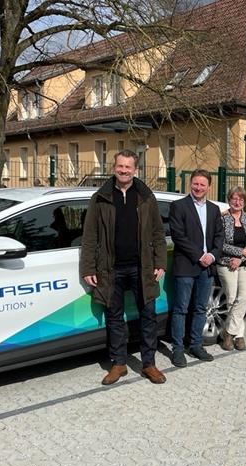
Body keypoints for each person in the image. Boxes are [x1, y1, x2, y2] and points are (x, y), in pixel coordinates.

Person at [79, 150, 168, 385]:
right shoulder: (100, 197)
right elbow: (90, 236)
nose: (124, 170)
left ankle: (149, 364)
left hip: (142, 268)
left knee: (148, 316)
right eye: (120, 166)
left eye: (128, 167)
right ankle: (119, 364)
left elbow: (158, 233)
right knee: (114, 317)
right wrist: (88, 268)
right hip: (111, 269)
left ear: (135, 170)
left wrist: (160, 262)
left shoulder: (146, 197)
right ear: (114, 168)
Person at [168, 169, 224, 367]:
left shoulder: (214, 209)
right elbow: (178, 236)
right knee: (181, 309)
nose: (198, 187)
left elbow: (219, 237)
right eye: (195, 183)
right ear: (190, 184)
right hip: (186, 265)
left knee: (201, 308)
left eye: (202, 184)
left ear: (209, 187)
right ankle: (177, 350)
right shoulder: (178, 206)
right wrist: (199, 255)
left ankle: (196, 345)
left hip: (206, 267)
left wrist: (212, 255)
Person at [217, 186, 246, 351]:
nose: (237, 202)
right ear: (229, 200)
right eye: (234, 198)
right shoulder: (221, 219)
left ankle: (228, 332)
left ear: (244, 202)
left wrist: (241, 258)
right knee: (232, 299)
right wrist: (239, 252)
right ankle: (239, 335)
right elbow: (220, 243)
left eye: (241, 199)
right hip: (227, 264)